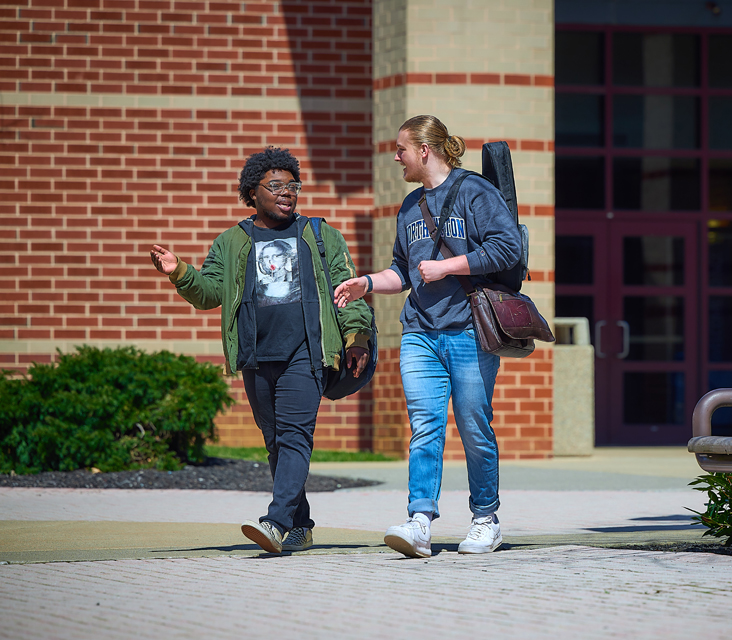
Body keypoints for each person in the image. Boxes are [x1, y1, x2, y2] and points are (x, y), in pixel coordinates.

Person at [149, 147, 372, 554]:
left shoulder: (321, 235)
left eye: (293, 186)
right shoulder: (232, 241)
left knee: (295, 436)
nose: (287, 193)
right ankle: (301, 525)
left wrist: (357, 338)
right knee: (275, 442)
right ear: (252, 192)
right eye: (276, 186)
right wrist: (180, 273)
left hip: (306, 352)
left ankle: (276, 522)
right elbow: (210, 292)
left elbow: (346, 290)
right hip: (255, 354)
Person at [334, 115, 521, 557]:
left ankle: (485, 518)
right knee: (425, 427)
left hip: (469, 331)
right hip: (419, 331)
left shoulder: (476, 192)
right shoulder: (409, 206)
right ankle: (420, 520)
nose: (395, 157)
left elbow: (507, 246)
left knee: (474, 426)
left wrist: (448, 267)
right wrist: (366, 283)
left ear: (424, 150)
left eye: (401, 149)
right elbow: (404, 270)